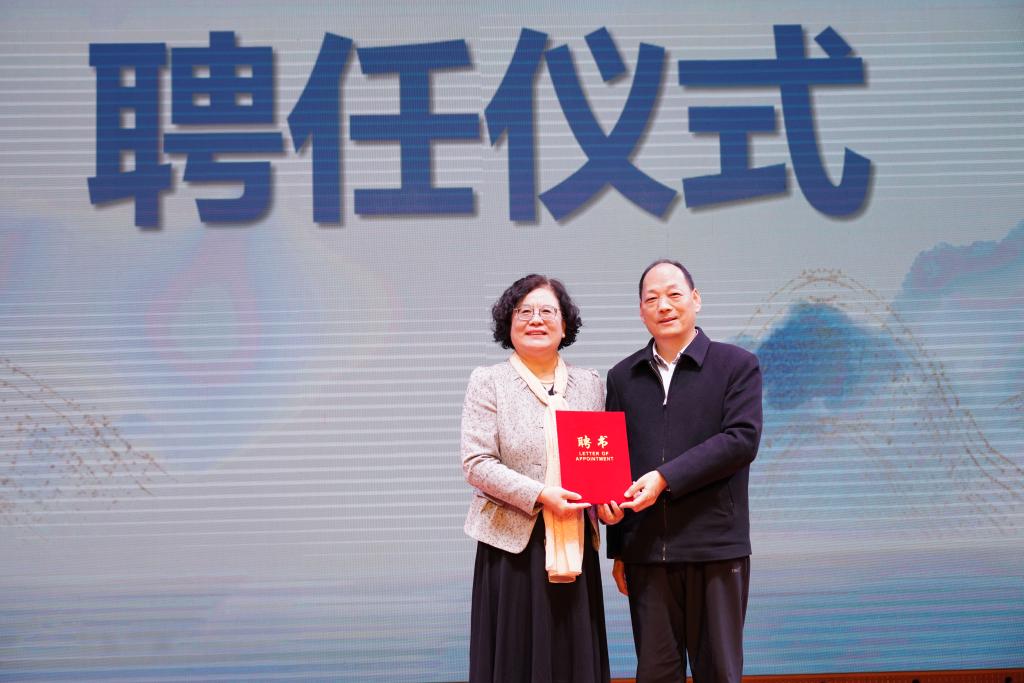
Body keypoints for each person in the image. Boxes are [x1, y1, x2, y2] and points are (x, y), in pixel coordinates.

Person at [597, 260, 763, 683]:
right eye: (651, 298)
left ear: (696, 299)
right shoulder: (622, 377)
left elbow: (741, 440)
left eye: (674, 294)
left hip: (716, 548)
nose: (664, 306)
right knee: (655, 674)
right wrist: (618, 546)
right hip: (647, 553)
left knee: (719, 673)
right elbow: (614, 461)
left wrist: (664, 478)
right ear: (640, 311)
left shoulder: (736, 365)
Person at [461, 274, 611, 683]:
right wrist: (542, 494)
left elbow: (599, 464)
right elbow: (477, 462)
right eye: (523, 311)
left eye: (547, 311)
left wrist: (607, 504)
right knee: (515, 662)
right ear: (508, 324)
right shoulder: (488, 381)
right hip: (512, 548)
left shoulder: (590, 384)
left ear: (565, 325)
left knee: (572, 660)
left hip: (574, 542)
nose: (535, 319)